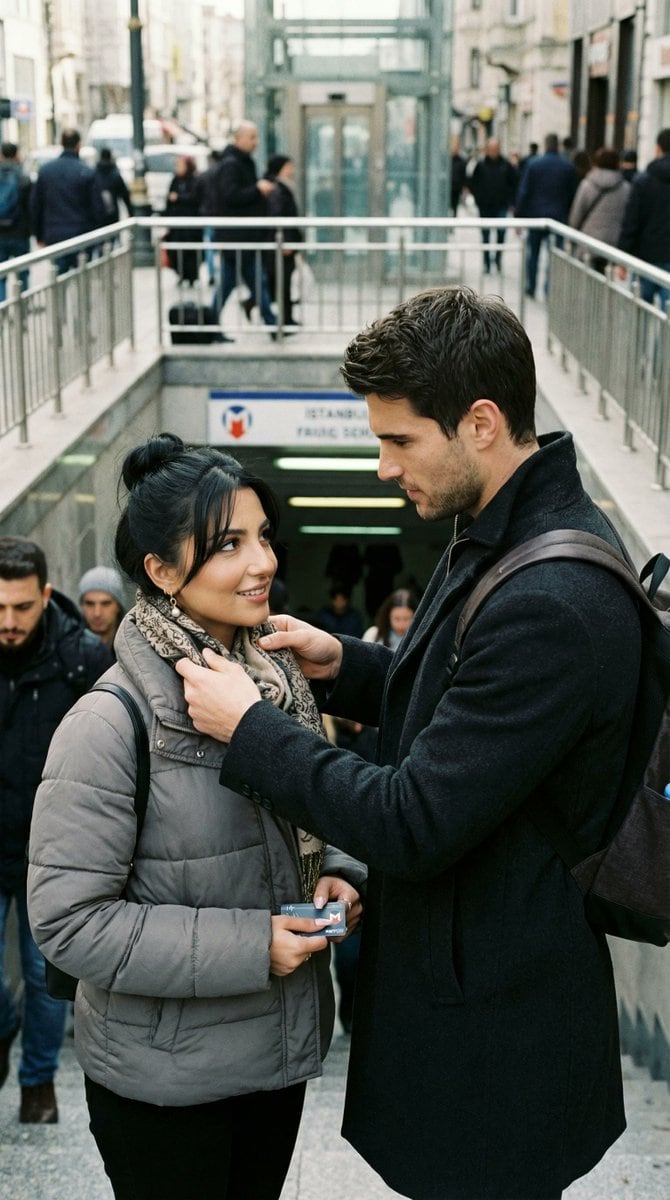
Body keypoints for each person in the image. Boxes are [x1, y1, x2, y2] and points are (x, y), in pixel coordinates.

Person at [174, 285, 643, 1200]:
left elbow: (416, 817)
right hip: (480, 1001)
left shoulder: (552, 595)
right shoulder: (509, 533)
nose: (383, 466)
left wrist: (253, 729)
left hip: (496, 1042)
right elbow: (471, 715)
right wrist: (345, 664)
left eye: (398, 440)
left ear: (479, 422)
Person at [27, 435, 364, 1200]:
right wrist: (254, 947)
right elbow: (69, 922)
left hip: (276, 1065)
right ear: (161, 571)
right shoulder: (110, 723)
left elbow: (321, 805)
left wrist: (342, 876)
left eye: (264, 537)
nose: (263, 563)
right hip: (164, 1087)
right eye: (228, 546)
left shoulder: (277, 683)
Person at [0, 537, 111, 1125]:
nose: (9, 622)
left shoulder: (82, 659)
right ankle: (3, 1029)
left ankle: (37, 1082)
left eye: (20, 607)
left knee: (44, 975)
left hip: (52, 849)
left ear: (44, 595)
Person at [211, 121, 277, 335]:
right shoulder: (232, 164)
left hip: (241, 236)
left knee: (238, 282)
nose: (256, 142)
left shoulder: (241, 162)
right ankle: (272, 323)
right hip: (238, 236)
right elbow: (230, 195)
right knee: (254, 280)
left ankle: (271, 323)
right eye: (252, 137)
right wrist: (257, 189)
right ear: (238, 139)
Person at [30, 128, 103, 275]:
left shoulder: (46, 171)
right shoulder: (86, 171)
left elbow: (36, 205)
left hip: (55, 234)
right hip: (82, 234)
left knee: (58, 277)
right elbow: (97, 207)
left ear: (61, 143)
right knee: (82, 278)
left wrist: (38, 234)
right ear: (78, 145)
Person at [515, 131, 579, 298]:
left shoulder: (534, 165)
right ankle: (549, 289)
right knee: (555, 257)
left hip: (536, 217)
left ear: (545, 145)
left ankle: (531, 286)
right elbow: (574, 195)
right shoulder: (568, 166)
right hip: (558, 218)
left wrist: (519, 218)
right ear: (557, 146)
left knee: (533, 254)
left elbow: (524, 191)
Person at [617, 127, 670, 309]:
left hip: (646, 256)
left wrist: (622, 259)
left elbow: (631, 222)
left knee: (640, 310)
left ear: (658, 149)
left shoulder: (643, 181)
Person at [568, 146, 630, 274]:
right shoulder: (625, 188)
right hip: (613, 244)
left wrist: (571, 236)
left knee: (588, 281)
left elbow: (576, 214)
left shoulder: (587, 184)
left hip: (588, 242)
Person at [261, 153, 302, 327]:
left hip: (285, 242)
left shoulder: (282, 187)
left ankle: (286, 317)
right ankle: (284, 319)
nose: (292, 170)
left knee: (282, 282)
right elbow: (277, 217)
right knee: (281, 282)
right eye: (289, 166)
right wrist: (284, 242)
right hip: (280, 244)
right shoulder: (278, 188)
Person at [469, 137, 518, 272]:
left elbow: (514, 183)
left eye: (496, 149)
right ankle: (486, 263)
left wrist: (509, 201)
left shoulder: (506, 165)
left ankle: (497, 260)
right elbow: (473, 182)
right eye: (491, 149)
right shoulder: (480, 165)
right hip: (485, 206)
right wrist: (479, 198)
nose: (493, 151)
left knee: (501, 235)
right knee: (485, 236)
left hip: (501, 206)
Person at [163, 155, 202, 286]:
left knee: (190, 252)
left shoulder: (194, 180)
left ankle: (192, 276)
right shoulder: (175, 181)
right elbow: (168, 201)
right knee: (176, 251)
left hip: (191, 225)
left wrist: (179, 198)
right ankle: (181, 274)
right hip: (177, 225)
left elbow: (195, 198)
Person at [0, 142, 31, 301]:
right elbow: (31, 207)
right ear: (16, 155)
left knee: (0, 275)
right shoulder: (23, 178)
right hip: (20, 233)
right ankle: (23, 309)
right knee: (23, 273)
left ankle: (2, 311)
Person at [78, 565, 126, 651]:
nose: (97, 613)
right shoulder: (69, 648)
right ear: (82, 606)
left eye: (106, 604)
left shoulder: (134, 645)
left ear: (118, 606)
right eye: (90, 604)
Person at [93, 147, 131, 227]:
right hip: (112, 211)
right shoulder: (115, 174)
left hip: (98, 212)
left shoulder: (94, 173)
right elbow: (124, 194)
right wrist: (130, 212)